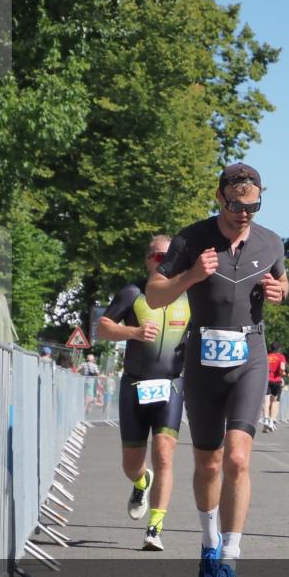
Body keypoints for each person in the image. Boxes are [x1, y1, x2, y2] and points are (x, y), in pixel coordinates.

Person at [148, 162, 288, 577]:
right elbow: (155, 294)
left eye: (253, 206)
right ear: (219, 197)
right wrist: (191, 275)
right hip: (204, 359)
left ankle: (230, 556)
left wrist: (281, 293)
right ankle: (208, 545)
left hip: (250, 356)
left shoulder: (271, 243)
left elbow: (284, 286)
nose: (243, 213)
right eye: (235, 205)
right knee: (208, 463)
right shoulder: (192, 238)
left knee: (238, 459)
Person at [96, 235, 191, 551]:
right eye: (157, 256)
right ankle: (141, 483)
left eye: (169, 257)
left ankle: (155, 527)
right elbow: (103, 328)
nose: (162, 261)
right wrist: (133, 332)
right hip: (135, 386)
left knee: (164, 453)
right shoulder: (132, 292)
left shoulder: (190, 295)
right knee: (132, 464)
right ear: (147, 259)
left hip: (172, 385)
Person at [263, 342, 288, 432]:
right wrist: (282, 373)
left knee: (266, 400)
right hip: (276, 381)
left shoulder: (267, 356)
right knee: (275, 401)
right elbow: (282, 368)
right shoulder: (281, 356)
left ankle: (265, 419)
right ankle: (271, 421)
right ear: (279, 348)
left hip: (266, 380)